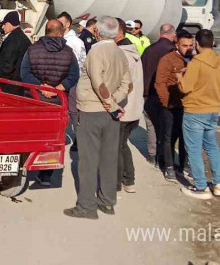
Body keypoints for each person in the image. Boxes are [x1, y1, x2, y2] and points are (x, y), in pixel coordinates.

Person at [64, 16, 132, 219]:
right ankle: (107, 201)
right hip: (110, 114)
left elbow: (97, 82)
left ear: (97, 32)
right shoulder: (120, 53)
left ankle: (86, 206)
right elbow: (128, 85)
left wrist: (109, 103)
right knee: (108, 158)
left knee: (88, 161)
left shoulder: (96, 51)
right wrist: (115, 102)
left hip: (92, 111)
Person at [21, 19, 80, 186]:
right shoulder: (68, 52)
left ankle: (24, 166)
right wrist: (58, 88)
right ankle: (46, 174)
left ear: (46, 31)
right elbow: (74, 75)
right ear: (60, 33)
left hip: (34, 99)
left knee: (32, 133)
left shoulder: (32, 50)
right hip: (57, 101)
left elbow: (24, 73)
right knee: (53, 136)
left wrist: (41, 87)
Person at [177, 29, 220, 199]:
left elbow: (185, 87)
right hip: (213, 109)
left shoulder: (196, 62)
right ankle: (218, 184)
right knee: (212, 147)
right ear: (212, 43)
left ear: (197, 44)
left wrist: (180, 77)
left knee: (193, 149)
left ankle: (201, 186)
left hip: (195, 110)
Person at [155, 30, 193, 182]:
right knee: (169, 137)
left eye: (191, 45)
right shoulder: (167, 59)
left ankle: (184, 165)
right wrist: (166, 102)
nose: (188, 48)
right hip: (171, 105)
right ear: (177, 44)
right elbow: (160, 83)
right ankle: (169, 166)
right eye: (185, 45)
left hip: (188, 106)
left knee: (186, 138)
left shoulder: (193, 60)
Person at [115, 19, 144, 194]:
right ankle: (129, 180)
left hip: (122, 108)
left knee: (115, 148)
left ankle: (116, 183)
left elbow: (121, 85)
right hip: (132, 108)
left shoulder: (120, 54)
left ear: (118, 33)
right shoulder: (132, 51)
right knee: (122, 146)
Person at [141, 24, 177, 167]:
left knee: (151, 125)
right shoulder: (173, 51)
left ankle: (152, 154)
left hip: (147, 94)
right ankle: (163, 156)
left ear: (160, 33)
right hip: (166, 94)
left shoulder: (148, 50)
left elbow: (141, 71)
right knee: (166, 127)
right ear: (173, 35)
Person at [58, 12, 87, 151]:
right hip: (60, 81)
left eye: (61, 23)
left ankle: (79, 138)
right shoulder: (59, 39)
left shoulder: (75, 41)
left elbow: (82, 62)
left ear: (68, 24)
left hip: (74, 81)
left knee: (74, 111)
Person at [0, 11, 32, 96]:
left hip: (8, 87)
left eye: (4, 24)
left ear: (9, 23)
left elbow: (8, 63)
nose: (3, 27)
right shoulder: (22, 38)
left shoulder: (13, 39)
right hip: (16, 84)